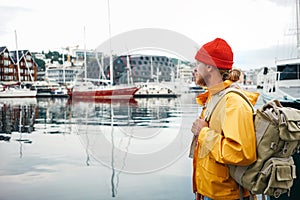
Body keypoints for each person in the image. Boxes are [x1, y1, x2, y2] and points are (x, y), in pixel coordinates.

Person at [190, 38, 260, 200]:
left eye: (198, 64)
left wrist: (203, 132)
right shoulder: (214, 97)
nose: (195, 69)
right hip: (211, 192)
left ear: (209, 67)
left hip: (228, 196)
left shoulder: (233, 102)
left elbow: (242, 153)